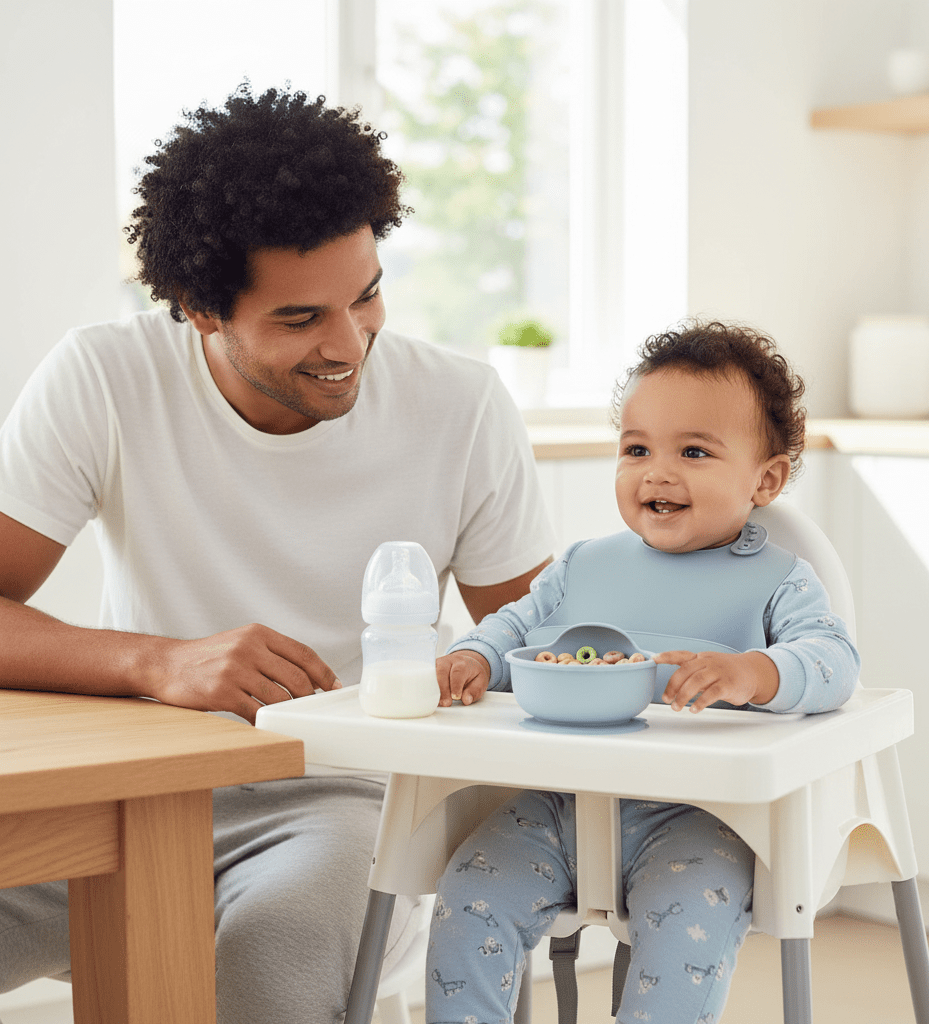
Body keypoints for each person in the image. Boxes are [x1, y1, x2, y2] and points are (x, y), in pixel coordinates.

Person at [0, 85, 554, 1022]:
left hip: (339, 802)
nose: (349, 343)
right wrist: (158, 662)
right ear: (199, 309)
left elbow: (540, 647)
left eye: (368, 294)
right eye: (301, 319)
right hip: (123, 787)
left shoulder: (460, 407)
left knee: (273, 961)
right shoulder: (104, 378)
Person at [428, 321, 860, 1024]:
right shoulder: (580, 566)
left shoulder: (781, 582)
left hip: (702, 821)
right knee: (466, 905)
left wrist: (754, 673)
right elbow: (516, 627)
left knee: (683, 949)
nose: (657, 471)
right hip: (559, 804)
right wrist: (476, 657)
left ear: (766, 479)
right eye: (636, 449)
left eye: (694, 450)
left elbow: (835, 662)